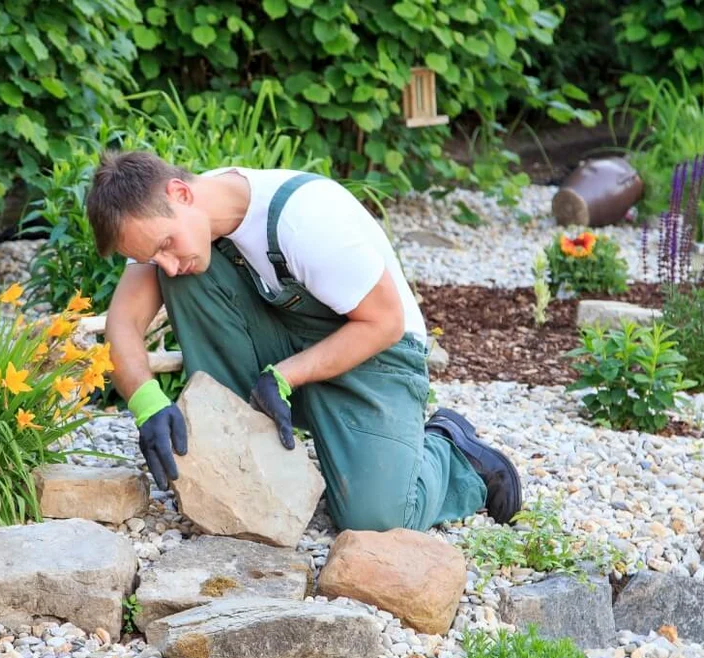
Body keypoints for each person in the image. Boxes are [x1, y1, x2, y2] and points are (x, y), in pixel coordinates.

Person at [85, 150, 522, 532]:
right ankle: (244, 449)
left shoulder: (305, 219)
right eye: (150, 256)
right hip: (287, 349)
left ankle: (452, 453)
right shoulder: (171, 224)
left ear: (180, 193)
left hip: (375, 356)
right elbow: (123, 322)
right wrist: (146, 403)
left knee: (376, 518)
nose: (166, 263)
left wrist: (285, 376)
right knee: (185, 275)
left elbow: (385, 323)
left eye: (165, 244)